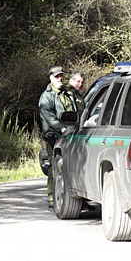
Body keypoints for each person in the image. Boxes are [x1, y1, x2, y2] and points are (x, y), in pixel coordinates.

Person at [38, 66, 75, 209]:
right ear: (51, 78)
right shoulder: (46, 96)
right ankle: (52, 199)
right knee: (55, 167)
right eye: (57, 76)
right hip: (53, 136)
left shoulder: (67, 93)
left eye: (61, 76)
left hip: (70, 136)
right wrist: (63, 128)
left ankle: (69, 197)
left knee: (69, 166)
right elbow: (50, 119)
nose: (60, 78)